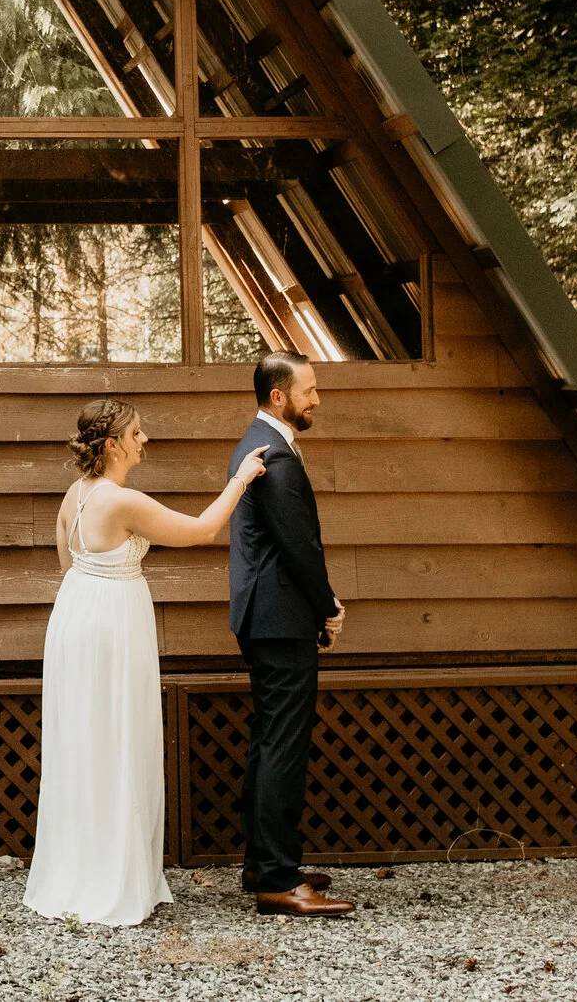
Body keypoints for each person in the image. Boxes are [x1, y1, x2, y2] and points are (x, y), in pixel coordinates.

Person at [24, 397, 270, 926]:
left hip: (75, 616)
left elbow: (68, 561)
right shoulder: (120, 500)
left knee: (85, 742)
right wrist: (243, 478)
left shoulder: (76, 494)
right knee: (117, 738)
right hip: (112, 623)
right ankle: (113, 879)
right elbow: (201, 529)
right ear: (111, 443)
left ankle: (78, 867)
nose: (144, 439)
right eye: (136, 432)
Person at [227, 350, 355, 917]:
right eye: (308, 390)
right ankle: (277, 879)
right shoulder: (275, 456)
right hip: (280, 619)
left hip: (265, 618)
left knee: (268, 741)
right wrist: (327, 606)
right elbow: (298, 546)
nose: (317, 399)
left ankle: (263, 862)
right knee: (283, 745)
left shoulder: (262, 444)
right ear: (278, 396)